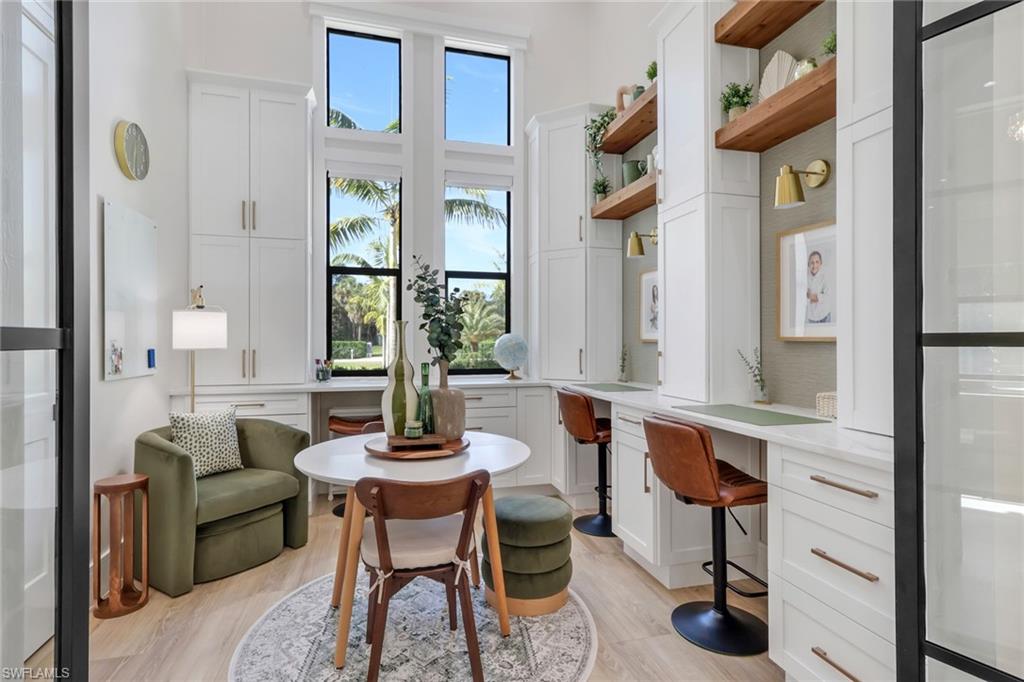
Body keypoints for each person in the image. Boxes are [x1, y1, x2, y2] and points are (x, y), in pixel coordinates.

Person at [805, 250, 831, 324]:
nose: (814, 265)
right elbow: (803, 299)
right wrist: (817, 297)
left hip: (825, 315)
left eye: (817, 262)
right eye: (812, 263)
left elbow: (827, 297)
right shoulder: (805, 278)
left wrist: (811, 296)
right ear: (808, 264)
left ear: (821, 263)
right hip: (812, 317)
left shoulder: (825, 276)